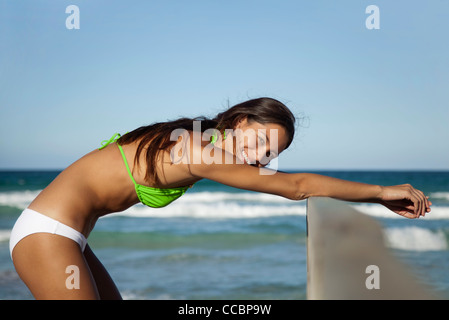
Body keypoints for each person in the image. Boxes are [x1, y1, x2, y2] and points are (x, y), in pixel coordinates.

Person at [9, 97, 431, 299]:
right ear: (241, 120)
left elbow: (291, 181)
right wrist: (380, 192)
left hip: (68, 237)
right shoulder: (202, 151)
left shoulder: (193, 136)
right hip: (48, 233)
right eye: (262, 141)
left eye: (272, 153)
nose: (262, 157)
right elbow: (295, 187)